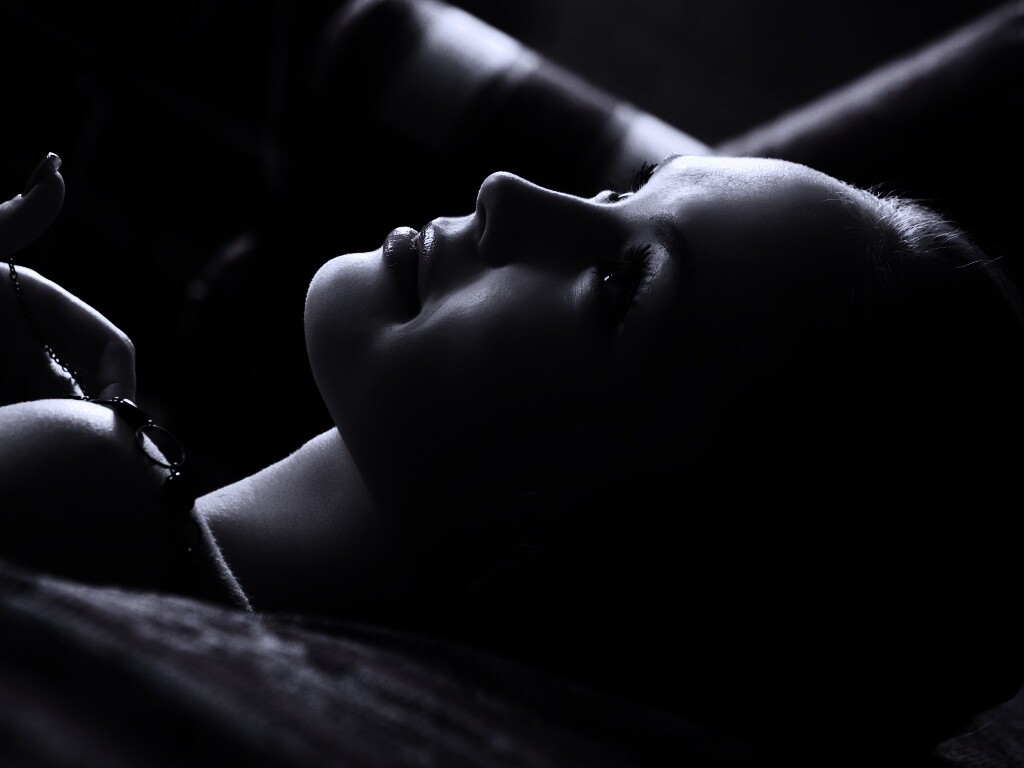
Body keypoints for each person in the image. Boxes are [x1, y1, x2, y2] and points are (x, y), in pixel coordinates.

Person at [2, 143, 1023, 767]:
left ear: (622, 597)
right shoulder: (102, 486)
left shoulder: (87, 482)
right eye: (621, 192)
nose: (508, 192)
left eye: (619, 285)